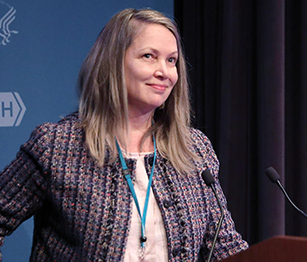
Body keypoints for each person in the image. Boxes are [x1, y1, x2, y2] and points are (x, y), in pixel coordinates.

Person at [0, 8, 248, 262]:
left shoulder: (194, 148)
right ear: (113, 62)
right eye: (149, 56)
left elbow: (223, 246)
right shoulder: (57, 146)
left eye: (172, 60)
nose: (164, 71)